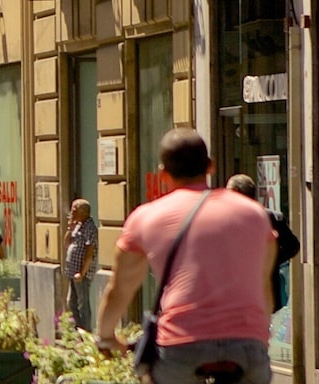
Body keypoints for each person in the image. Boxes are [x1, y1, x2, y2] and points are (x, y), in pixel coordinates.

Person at [96, 128, 276, 384]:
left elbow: (120, 288)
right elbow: (263, 286)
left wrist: (106, 336)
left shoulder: (145, 217)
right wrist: (259, 337)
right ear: (210, 167)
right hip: (246, 346)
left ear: (163, 173)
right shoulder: (255, 214)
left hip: (181, 345)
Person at [226, 174, 301, 314]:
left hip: (260, 292)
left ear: (236, 192)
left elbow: (293, 246)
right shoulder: (225, 219)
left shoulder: (271, 218)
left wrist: (269, 260)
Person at [61, 199, 97, 329]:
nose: (71, 213)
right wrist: (69, 229)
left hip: (81, 273)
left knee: (83, 305)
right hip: (72, 272)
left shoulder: (89, 227)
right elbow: (66, 244)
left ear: (83, 212)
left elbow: (89, 252)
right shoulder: (77, 225)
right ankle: (78, 330)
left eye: (74, 211)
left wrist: (82, 273)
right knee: (71, 303)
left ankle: (86, 333)